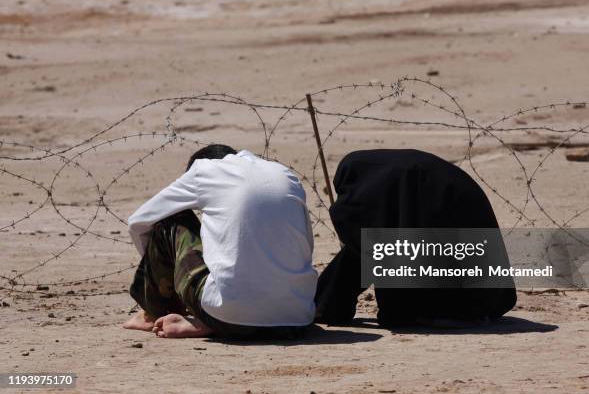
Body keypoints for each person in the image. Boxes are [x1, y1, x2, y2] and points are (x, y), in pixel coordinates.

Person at [123, 144, 317, 339]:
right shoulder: (285, 173)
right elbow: (306, 245)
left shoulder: (203, 170)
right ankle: (209, 322)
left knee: (169, 217)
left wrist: (161, 270)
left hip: (227, 317)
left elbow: (139, 222)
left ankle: (154, 313)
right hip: (298, 317)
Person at [314, 149, 517, 327]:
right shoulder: (412, 179)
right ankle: (325, 305)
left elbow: (363, 247)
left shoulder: (383, 191)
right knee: (375, 238)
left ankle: (324, 305)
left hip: (449, 302)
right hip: (489, 296)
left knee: (371, 240)